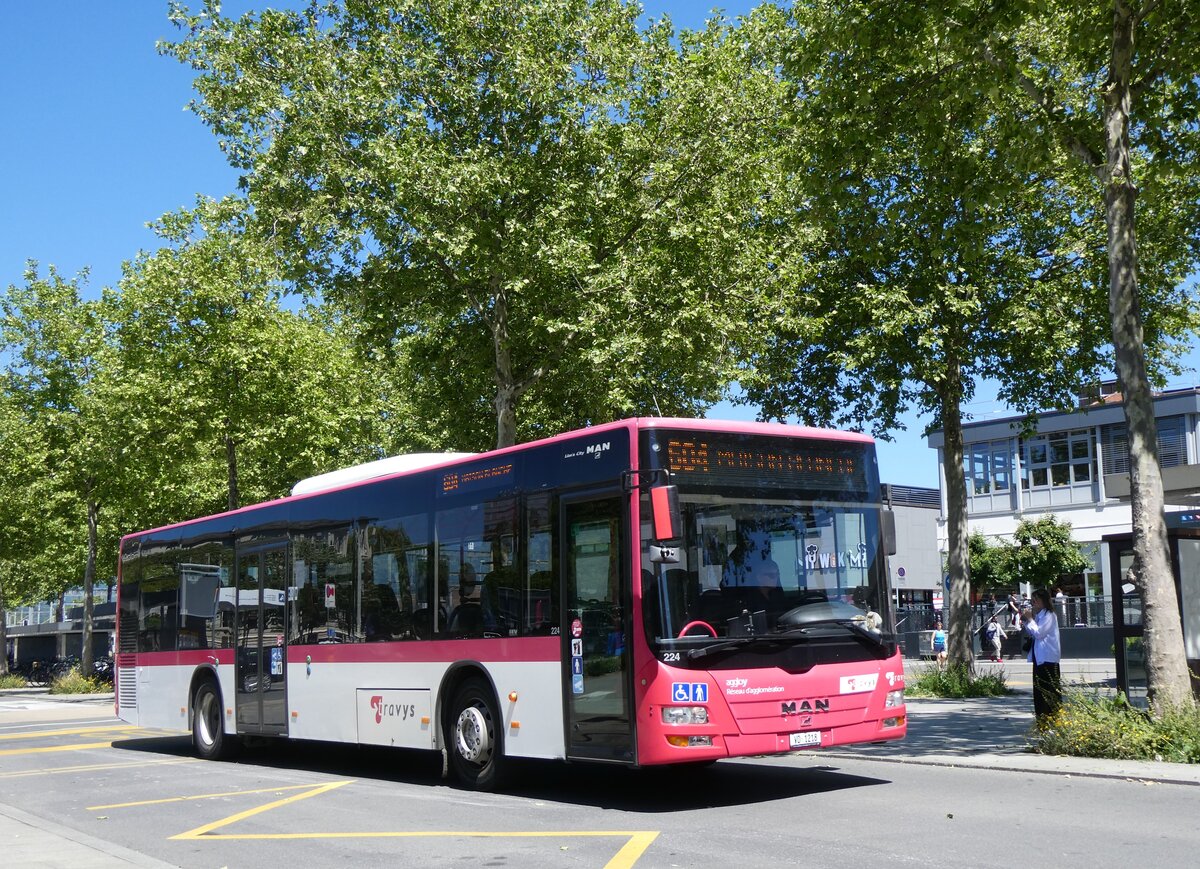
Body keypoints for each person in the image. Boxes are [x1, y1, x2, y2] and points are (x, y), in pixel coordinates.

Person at [1021, 588, 1062, 723]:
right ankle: (1042, 719)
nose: (1033, 603)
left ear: (1043, 601)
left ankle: (1053, 718)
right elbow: (1034, 633)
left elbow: (1039, 633)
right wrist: (1027, 621)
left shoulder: (1049, 615)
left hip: (1048, 658)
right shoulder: (1039, 615)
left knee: (1049, 690)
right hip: (1039, 658)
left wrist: (1030, 619)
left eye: (1036, 601)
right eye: (1032, 601)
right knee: (1039, 691)